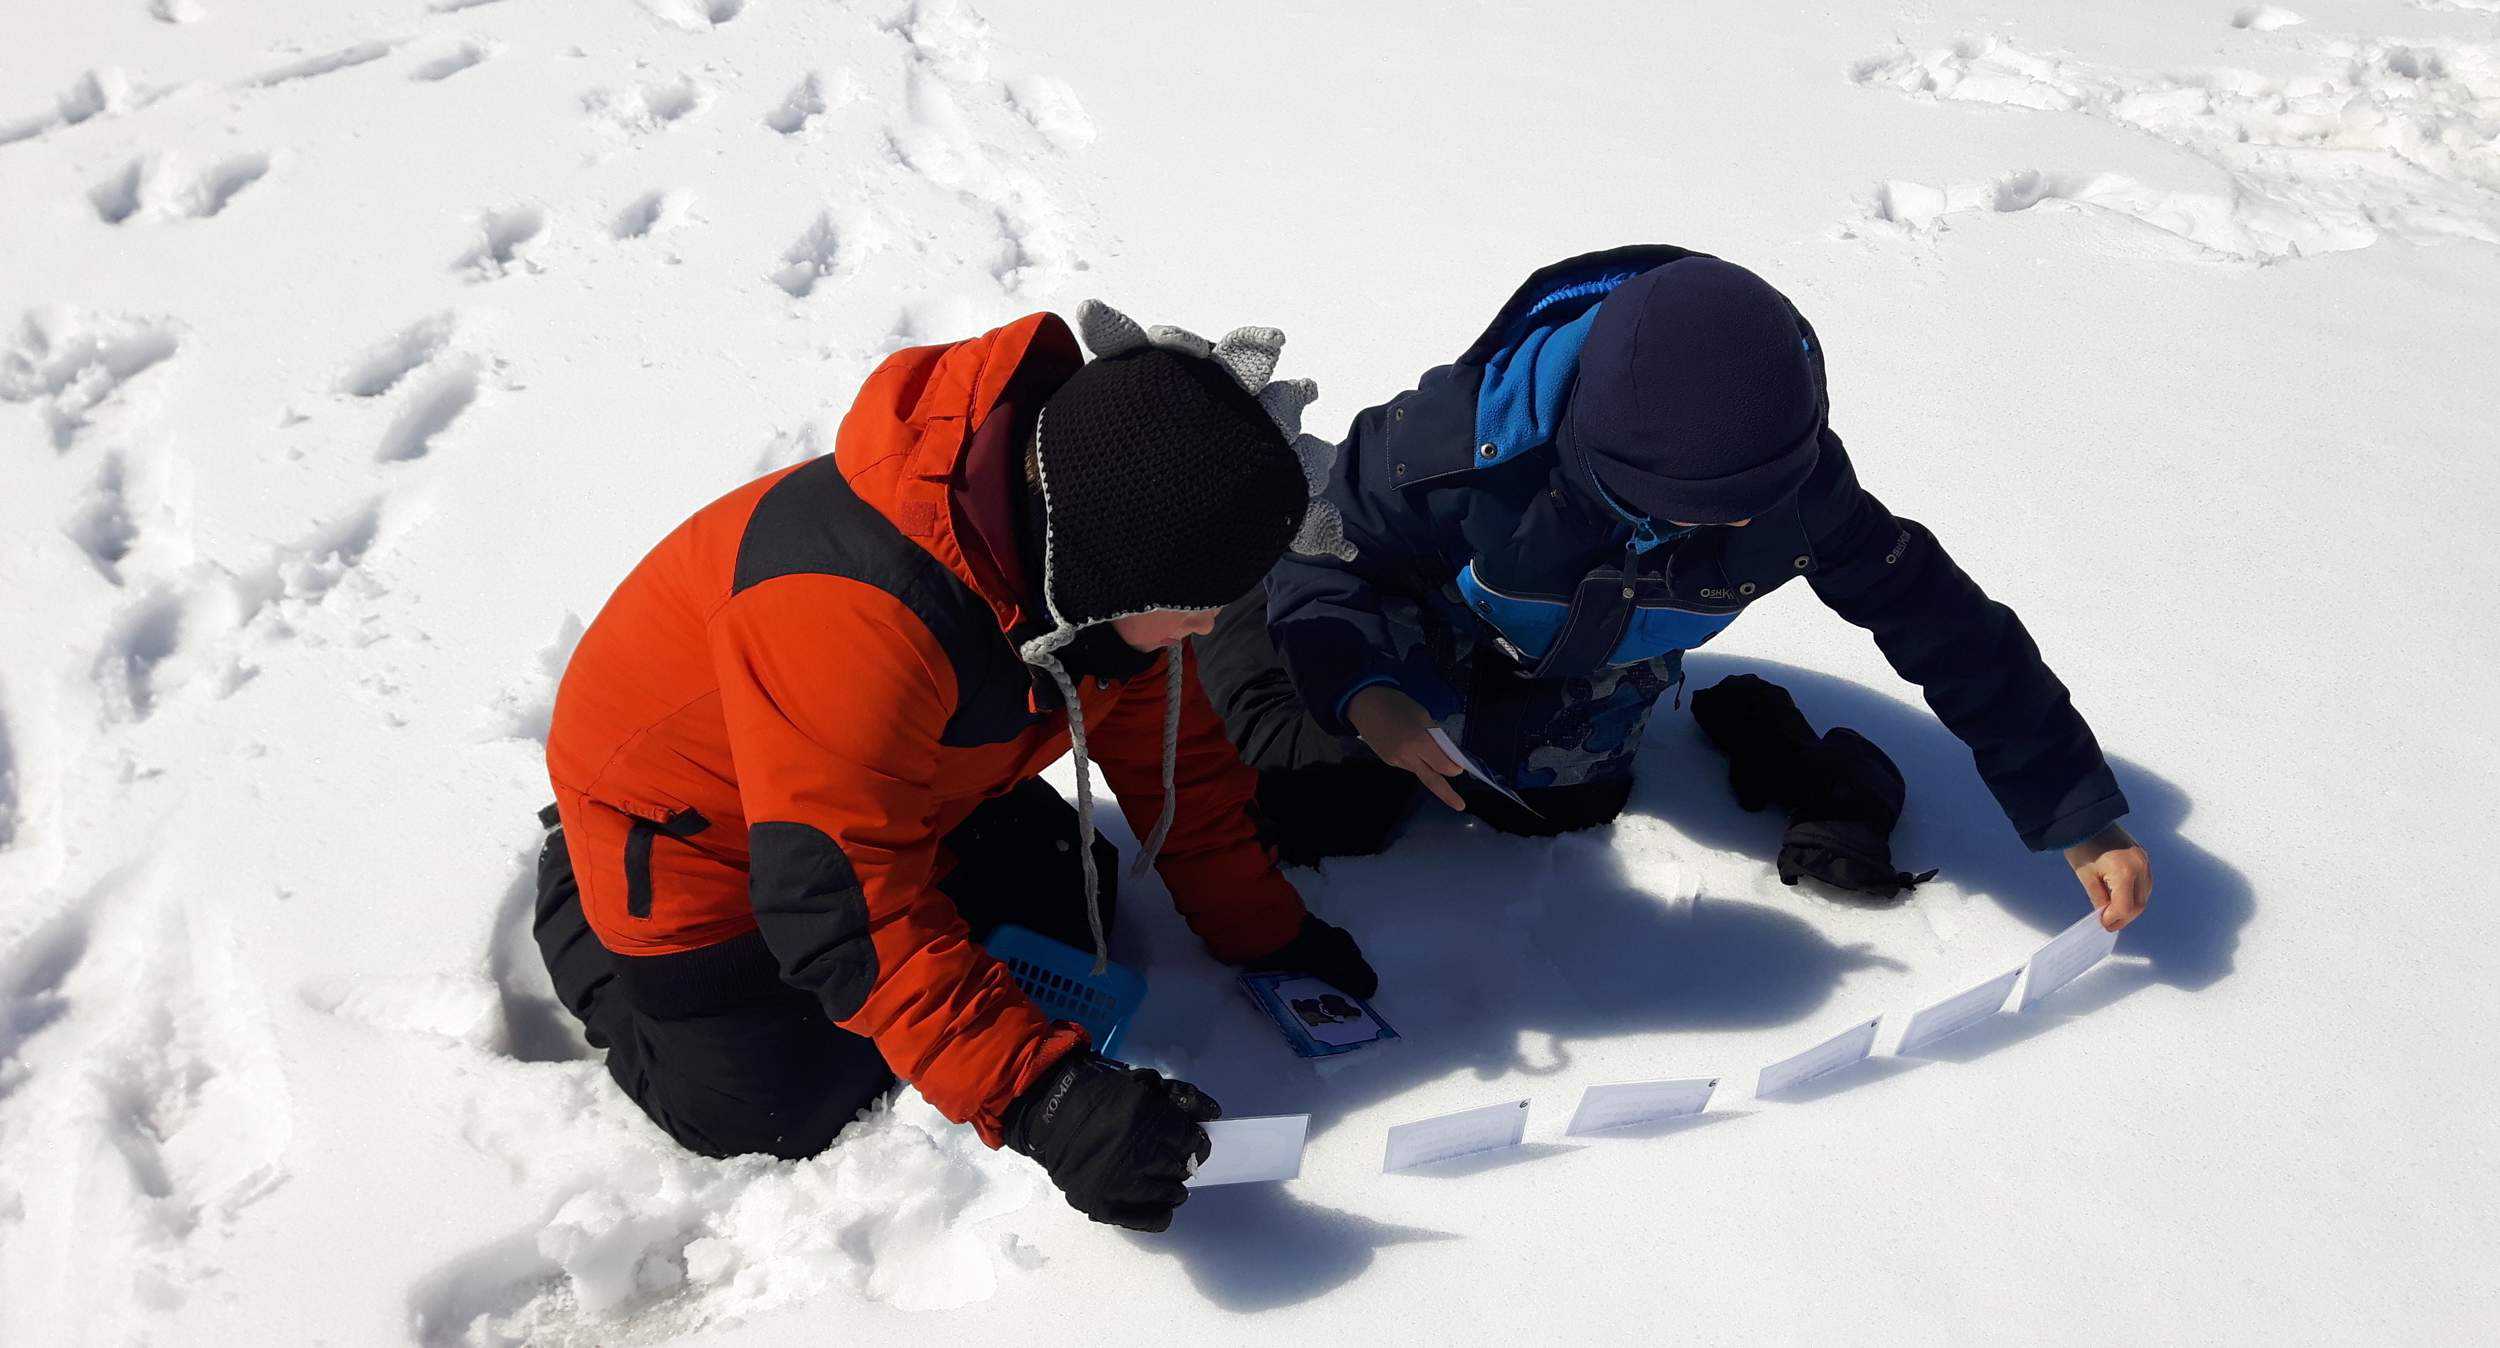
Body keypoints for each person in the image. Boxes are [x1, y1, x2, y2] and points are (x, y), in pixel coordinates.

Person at [533, 302, 1378, 1233]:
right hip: (681, 833)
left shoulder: (1096, 595)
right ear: (1116, 572)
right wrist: (1044, 1099)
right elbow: (841, 907)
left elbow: (1181, 777)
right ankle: (575, 891)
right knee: (778, 1110)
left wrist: (1265, 933)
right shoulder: (854, 616)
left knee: (1066, 897)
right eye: (1201, 604)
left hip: (893, 783)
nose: (1213, 628)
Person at [1214, 245, 2152, 932]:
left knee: (1555, 811)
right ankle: (1230, 607)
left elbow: (1952, 629)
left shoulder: (1798, 487)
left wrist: (2078, 815)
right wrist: (1365, 692)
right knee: (1319, 807)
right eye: (1702, 509)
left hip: (1569, 651)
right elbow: (1325, 554)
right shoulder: (1462, 446)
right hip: (1407, 608)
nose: (1743, 528)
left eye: (1761, 501)